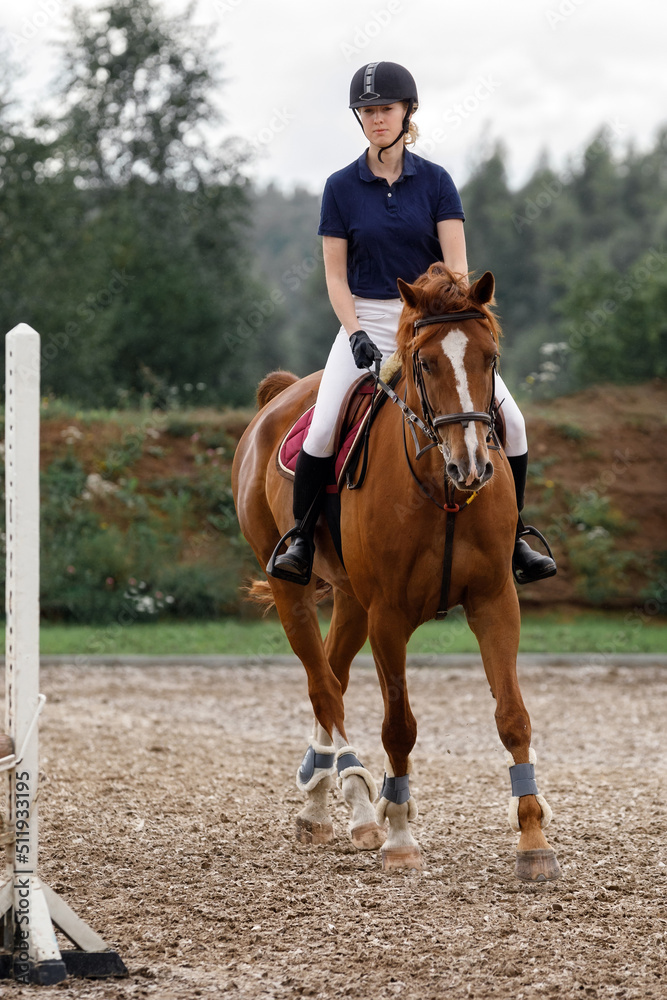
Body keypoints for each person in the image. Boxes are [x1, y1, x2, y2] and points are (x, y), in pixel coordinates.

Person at [269, 60, 556, 588]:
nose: (376, 118)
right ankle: (302, 540)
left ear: (407, 113)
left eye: (386, 109)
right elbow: (335, 276)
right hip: (368, 317)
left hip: (433, 322)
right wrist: (354, 331)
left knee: (512, 423)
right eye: (367, 110)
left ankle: (515, 537)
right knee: (326, 423)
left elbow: (459, 267)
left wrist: (449, 321)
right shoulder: (340, 187)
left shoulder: (437, 182)